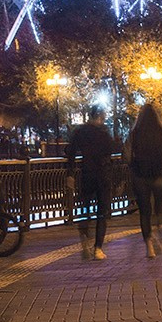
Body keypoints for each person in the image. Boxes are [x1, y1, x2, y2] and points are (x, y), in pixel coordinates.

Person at [126, 101, 162, 258]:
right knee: (159, 208)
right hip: (158, 174)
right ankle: (161, 236)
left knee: (145, 212)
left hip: (140, 175)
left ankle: (149, 246)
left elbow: (127, 155)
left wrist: (134, 165)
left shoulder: (135, 132)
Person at [68, 108, 119, 260]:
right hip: (103, 175)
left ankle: (84, 237)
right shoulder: (104, 132)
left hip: (86, 174)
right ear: (101, 116)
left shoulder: (80, 132)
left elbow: (70, 151)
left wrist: (70, 173)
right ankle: (98, 248)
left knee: (84, 209)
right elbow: (112, 151)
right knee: (102, 213)